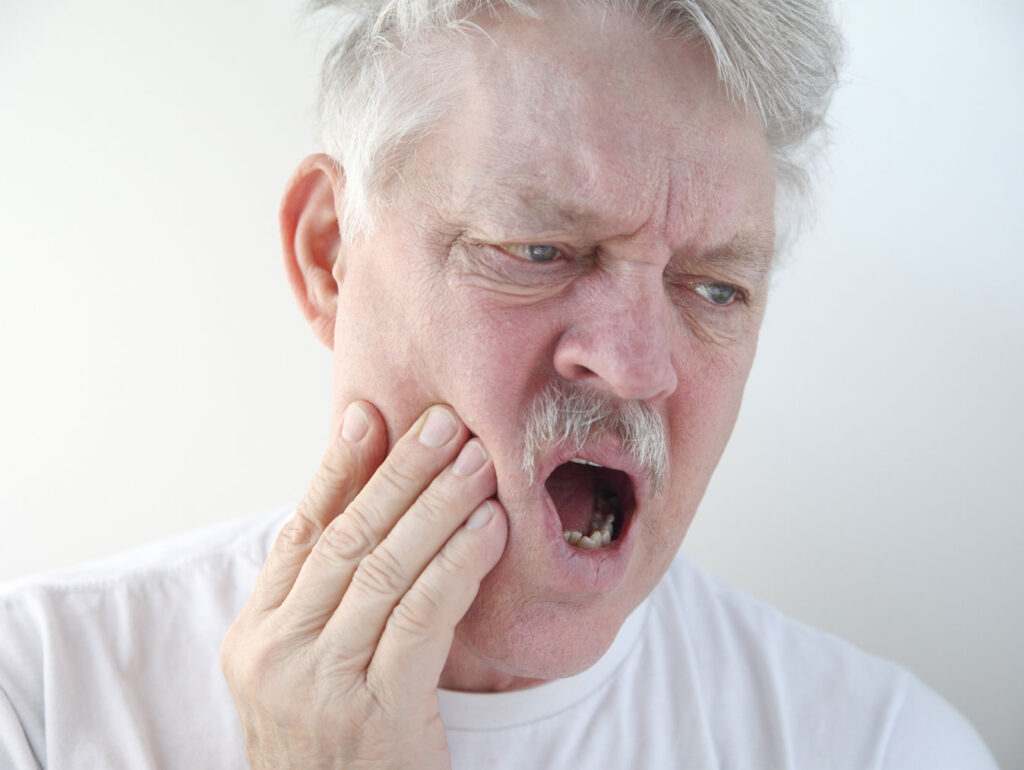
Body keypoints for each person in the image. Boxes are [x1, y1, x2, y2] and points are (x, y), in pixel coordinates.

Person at [0, 1, 1000, 767]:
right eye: (537, 248)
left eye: (714, 288)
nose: (635, 366)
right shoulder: (40, 698)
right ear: (329, 255)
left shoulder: (881, 746)